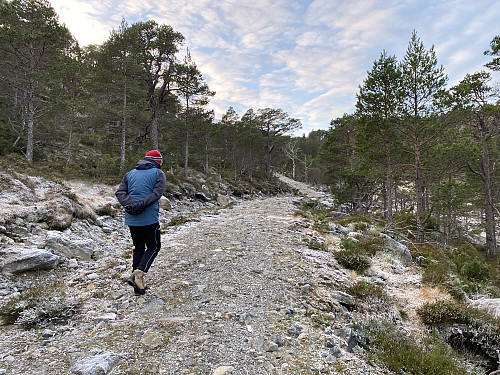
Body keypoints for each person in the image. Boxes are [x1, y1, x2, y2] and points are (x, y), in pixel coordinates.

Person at [115, 150, 166, 295]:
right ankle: (139, 273)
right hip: (149, 217)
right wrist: (141, 205)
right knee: (154, 246)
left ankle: (138, 288)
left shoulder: (129, 174)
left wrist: (131, 205)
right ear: (158, 161)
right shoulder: (158, 173)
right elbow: (157, 194)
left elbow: (120, 193)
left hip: (132, 218)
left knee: (138, 248)